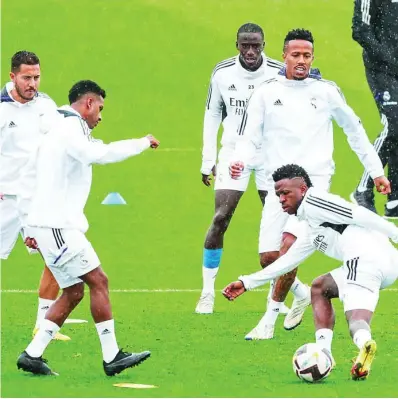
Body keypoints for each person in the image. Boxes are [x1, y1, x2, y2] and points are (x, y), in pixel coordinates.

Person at [229, 28, 389, 340]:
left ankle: (268, 319)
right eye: (295, 55)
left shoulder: (326, 92)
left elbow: (354, 132)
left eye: (306, 56)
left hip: (313, 189)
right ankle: (300, 294)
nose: (301, 61)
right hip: (278, 187)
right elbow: (249, 136)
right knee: (268, 256)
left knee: (290, 246)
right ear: (284, 56)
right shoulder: (265, 92)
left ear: (312, 58)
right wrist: (241, 161)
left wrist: (376, 172)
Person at [17, 80, 160, 376]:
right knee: (99, 281)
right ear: (89, 104)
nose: (101, 117)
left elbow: (29, 176)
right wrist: (143, 143)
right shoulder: (71, 129)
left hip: (49, 224)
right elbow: (98, 154)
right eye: (100, 109)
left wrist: (27, 224)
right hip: (58, 226)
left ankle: (32, 355)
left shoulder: (58, 128)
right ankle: (112, 357)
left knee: (73, 292)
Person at [223, 164, 398, 380]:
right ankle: (324, 353)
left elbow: (359, 213)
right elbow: (287, 262)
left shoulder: (315, 201)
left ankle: (364, 343)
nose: (281, 199)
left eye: (286, 193)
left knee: (356, 320)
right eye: (278, 195)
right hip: (383, 261)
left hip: (364, 260)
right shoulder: (311, 226)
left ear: (303, 189)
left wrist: (396, 233)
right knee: (320, 287)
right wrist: (247, 282)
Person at [196, 22, 290, 315]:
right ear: (237, 45)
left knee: (277, 224)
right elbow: (212, 113)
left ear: (264, 45)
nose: (250, 51)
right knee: (221, 217)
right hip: (234, 153)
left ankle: (276, 298)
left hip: (269, 156)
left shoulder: (278, 71)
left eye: (256, 45)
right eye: (245, 45)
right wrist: (207, 159)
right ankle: (207, 292)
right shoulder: (223, 73)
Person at [0, 51, 70, 341]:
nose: (33, 84)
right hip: (4, 197)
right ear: (12, 76)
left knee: (56, 255)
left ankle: (44, 325)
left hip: (35, 198)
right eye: (27, 78)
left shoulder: (46, 106)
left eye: (37, 77)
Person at [350, 0, 398, 217]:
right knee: (394, 125)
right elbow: (360, 30)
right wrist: (390, 59)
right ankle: (363, 188)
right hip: (382, 68)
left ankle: (394, 198)